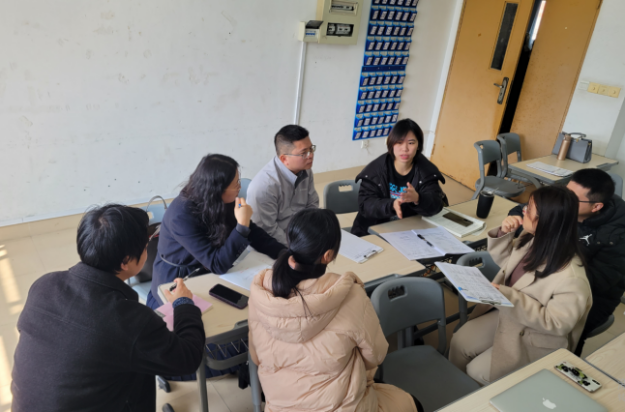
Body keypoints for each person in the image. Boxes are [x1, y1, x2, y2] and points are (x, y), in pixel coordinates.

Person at [11, 205, 205, 412]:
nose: (147, 250)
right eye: (145, 246)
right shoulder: (130, 319)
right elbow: (187, 359)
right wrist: (183, 303)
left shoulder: (44, 285)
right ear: (125, 261)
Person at [248, 208, 422, 412]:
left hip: (280, 407)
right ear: (328, 255)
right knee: (413, 403)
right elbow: (376, 355)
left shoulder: (261, 293)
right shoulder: (351, 296)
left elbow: (256, 356)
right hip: (342, 406)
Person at [449, 186, 592, 386]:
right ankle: (454, 386)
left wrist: (507, 296)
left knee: (477, 371)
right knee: (460, 340)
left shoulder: (571, 277)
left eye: (529, 209)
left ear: (545, 221)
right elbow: (509, 265)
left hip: (535, 335)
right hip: (511, 315)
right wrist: (504, 233)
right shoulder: (532, 238)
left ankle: (474, 396)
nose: (522, 211)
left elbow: (556, 324)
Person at [507, 169, 625, 355]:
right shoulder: (568, 205)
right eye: (566, 191)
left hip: (591, 296)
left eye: (573, 198)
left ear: (596, 206)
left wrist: (549, 269)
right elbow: (530, 208)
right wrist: (518, 219)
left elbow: (598, 281)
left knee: (566, 334)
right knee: (517, 305)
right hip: (550, 274)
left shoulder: (617, 234)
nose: (565, 199)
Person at [147, 153, 286, 310]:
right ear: (218, 189)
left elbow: (253, 233)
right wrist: (242, 225)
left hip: (208, 272)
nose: (239, 187)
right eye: (236, 184)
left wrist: (283, 254)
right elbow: (216, 264)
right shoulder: (181, 216)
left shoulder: (218, 200)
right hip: (177, 280)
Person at [351, 119, 446, 237]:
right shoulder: (375, 171)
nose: (405, 148)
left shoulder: (426, 171)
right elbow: (365, 205)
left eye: (411, 143)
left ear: (418, 145)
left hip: (408, 231)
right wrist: (391, 205)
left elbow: (436, 205)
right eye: (399, 142)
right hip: (372, 231)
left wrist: (418, 198)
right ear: (392, 144)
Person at [246, 125, 319, 245]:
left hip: (298, 237)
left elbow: (312, 205)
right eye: (304, 153)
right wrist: (297, 246)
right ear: (284, 159)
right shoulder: (264, 187)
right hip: (270, 245)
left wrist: (309, 236)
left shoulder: (305, 169)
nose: (310, 155)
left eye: (311, 149)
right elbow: (267, 231)